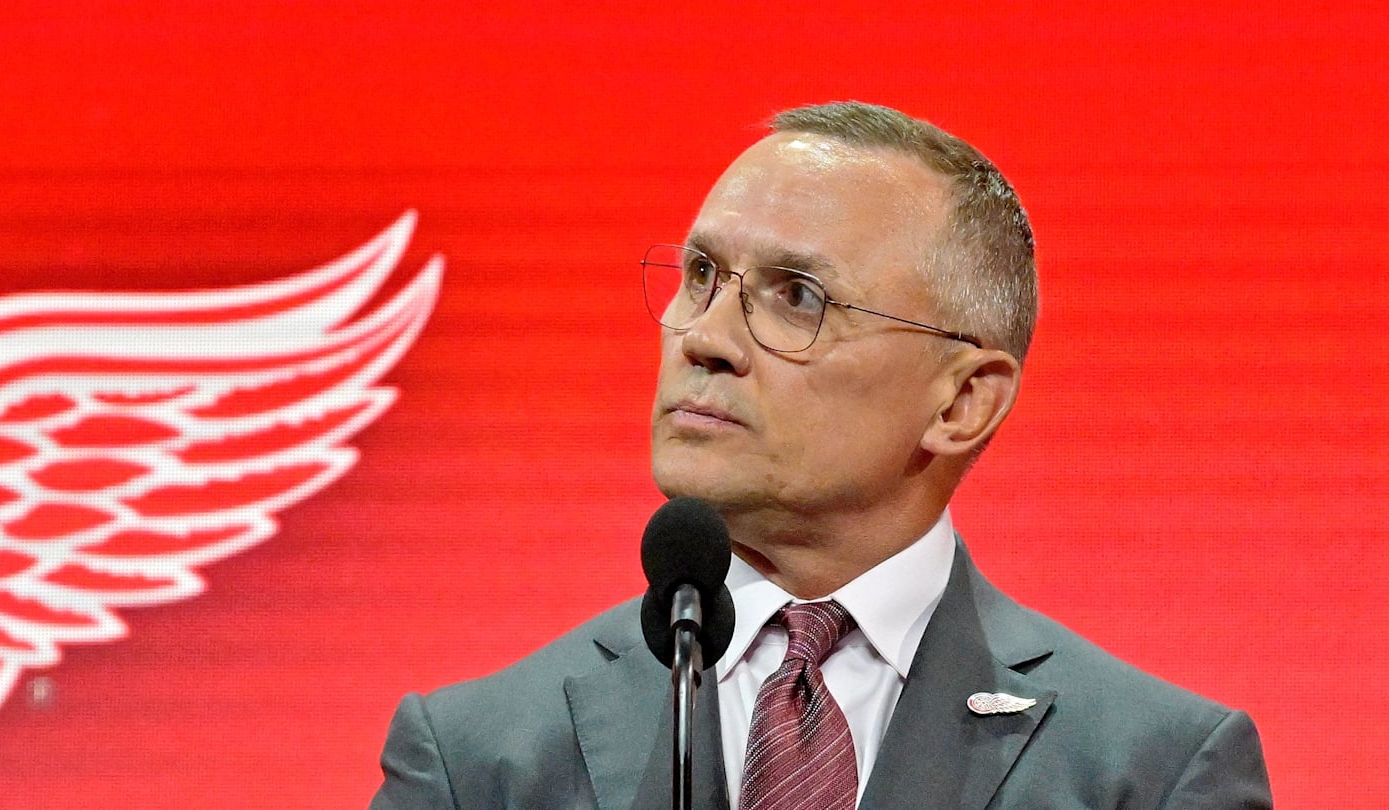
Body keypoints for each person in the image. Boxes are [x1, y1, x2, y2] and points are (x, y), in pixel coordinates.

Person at [370, 101, 1273, 809]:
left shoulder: (1148, 774)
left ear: (962, 401)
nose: (704, 337)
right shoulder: (478, 758)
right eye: (699, 276)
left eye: (797, 296)